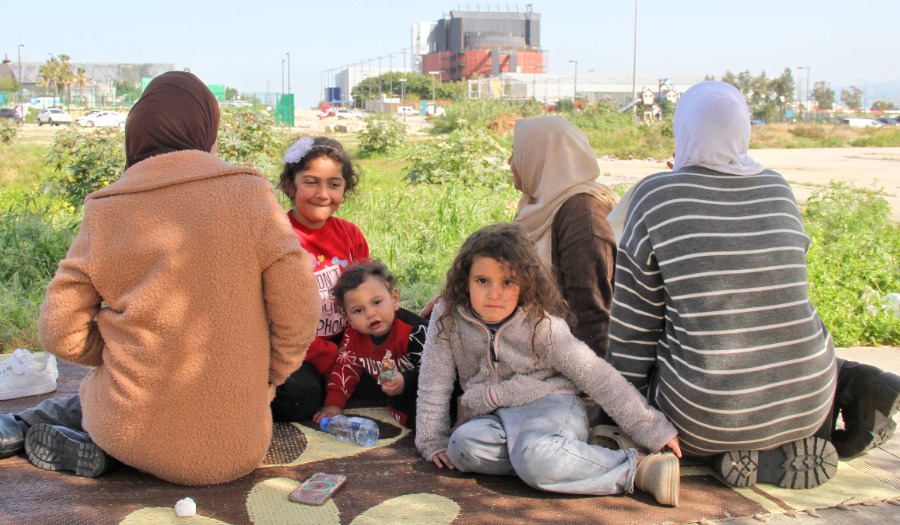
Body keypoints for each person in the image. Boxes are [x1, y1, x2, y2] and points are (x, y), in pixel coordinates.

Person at [0, 71, 319, 484]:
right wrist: (266, 374)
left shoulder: (107, 207)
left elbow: (58, 331)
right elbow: (301, 309)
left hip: (129, 432)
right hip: (238, 448)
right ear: (207, 128)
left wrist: (120, 356)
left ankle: (43, 431)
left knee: (89, 398)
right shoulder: (250, 193)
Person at [606, 80, 853, 490]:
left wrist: (620, 409)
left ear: (683, 130)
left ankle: (724, 450)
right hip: (808, 401)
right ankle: (794, 433)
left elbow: (634, 328)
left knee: (671, 359)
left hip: (703, 417)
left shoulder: (656, 194)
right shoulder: (778, 187)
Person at [415, 223, 682, 507]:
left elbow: (598, 376)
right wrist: (432, 440)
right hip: (495, 414)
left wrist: (653, 430)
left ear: (525, 284)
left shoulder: (543, 327)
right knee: (462, 447)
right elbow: (434, 379)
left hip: (551, 404)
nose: (495, 294)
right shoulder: (448, 317)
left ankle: (639, 468)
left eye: (507, 282)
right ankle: (565, 458)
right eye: (483, 281)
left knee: (534, 459)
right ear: (464, 280)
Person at [271, 136, 369, 423]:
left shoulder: (351, 235)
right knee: (302, 396)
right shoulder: (279, 237)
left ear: (345, 188)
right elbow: (275, 317)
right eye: (311, 182)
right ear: (291, 185)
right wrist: (327, 355)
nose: (323, 194)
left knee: (397, 365)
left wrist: (350, 352)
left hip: (345, 342)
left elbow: (364, 298)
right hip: (295, 348)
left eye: (334, 184)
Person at [510, 115, 620, 359]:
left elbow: (591, 312)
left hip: (569, 361)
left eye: (516, 153)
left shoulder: (583, 215)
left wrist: (591, 389)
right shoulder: (540, 204)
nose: (510, 162)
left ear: (541, 158)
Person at [313, 261, 427, 429]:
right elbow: (346, 368)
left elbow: (438, 369)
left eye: (376, 302)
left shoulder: (414, 332)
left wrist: (406, 381)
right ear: (348, 318)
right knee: (355, 385)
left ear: (394, 299)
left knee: (413, 415)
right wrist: (334, 404)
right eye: (358, 310)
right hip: (387, 380)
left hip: (422, 386)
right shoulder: (354, 336)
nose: (370, 313)